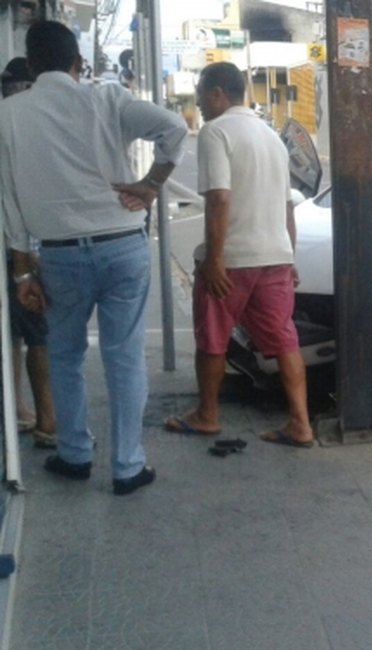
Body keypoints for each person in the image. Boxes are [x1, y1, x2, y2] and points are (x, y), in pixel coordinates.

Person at [0, 21, 187, 495]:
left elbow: (10, 200)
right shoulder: (107, 98)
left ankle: (74, 454)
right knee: (124, 357)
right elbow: (174, 128)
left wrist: (22, 271)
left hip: (58, 256)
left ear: (31, 65)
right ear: (77, 62)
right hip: (122, 245)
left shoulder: (9, 115)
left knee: (64, 355)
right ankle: (127, 466)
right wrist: (151, 184)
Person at [163, 61, 314, 448]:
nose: (199, 104)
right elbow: (287, 205)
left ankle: (207, 415)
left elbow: (219, 199)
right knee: (284, 340)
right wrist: (290, 257)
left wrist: (214, 259)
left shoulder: (216, 132)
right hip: (276, 256)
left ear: (218, 94)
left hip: (233, 259)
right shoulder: (271, 137)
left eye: (201, 96)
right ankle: (300, 423)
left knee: (212, 337)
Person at [0, 56, 56, 449]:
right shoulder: (26, 128)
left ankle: (17, 410)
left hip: (14, 245)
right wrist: (31, 256)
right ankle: (47, 420)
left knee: (14, 333)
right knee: (39, 334)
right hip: (22, 247)